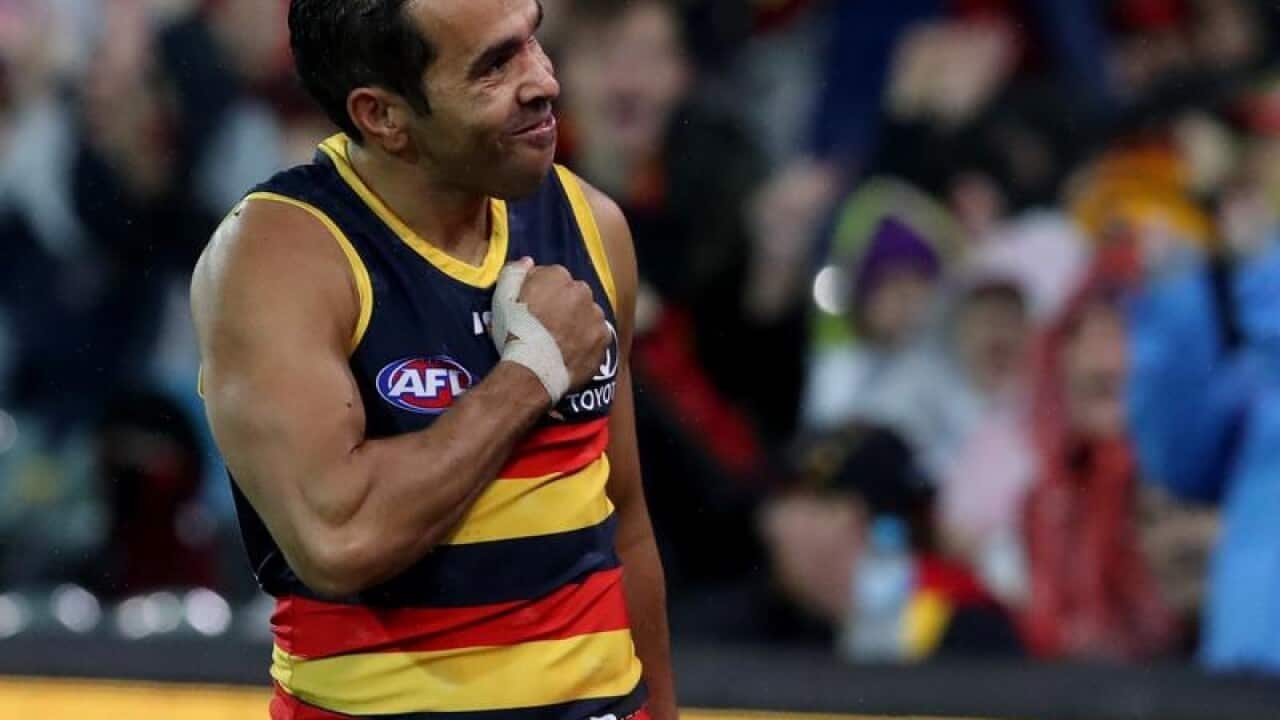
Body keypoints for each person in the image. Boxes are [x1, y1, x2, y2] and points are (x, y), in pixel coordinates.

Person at [190, 1, 676, 718]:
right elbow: (339, 537)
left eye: (533, 39)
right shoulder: (279, 258)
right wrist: (531, 375)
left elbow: (625, 520)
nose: (544, 80)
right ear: (383, 115)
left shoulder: (592, 225)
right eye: (493, 66)